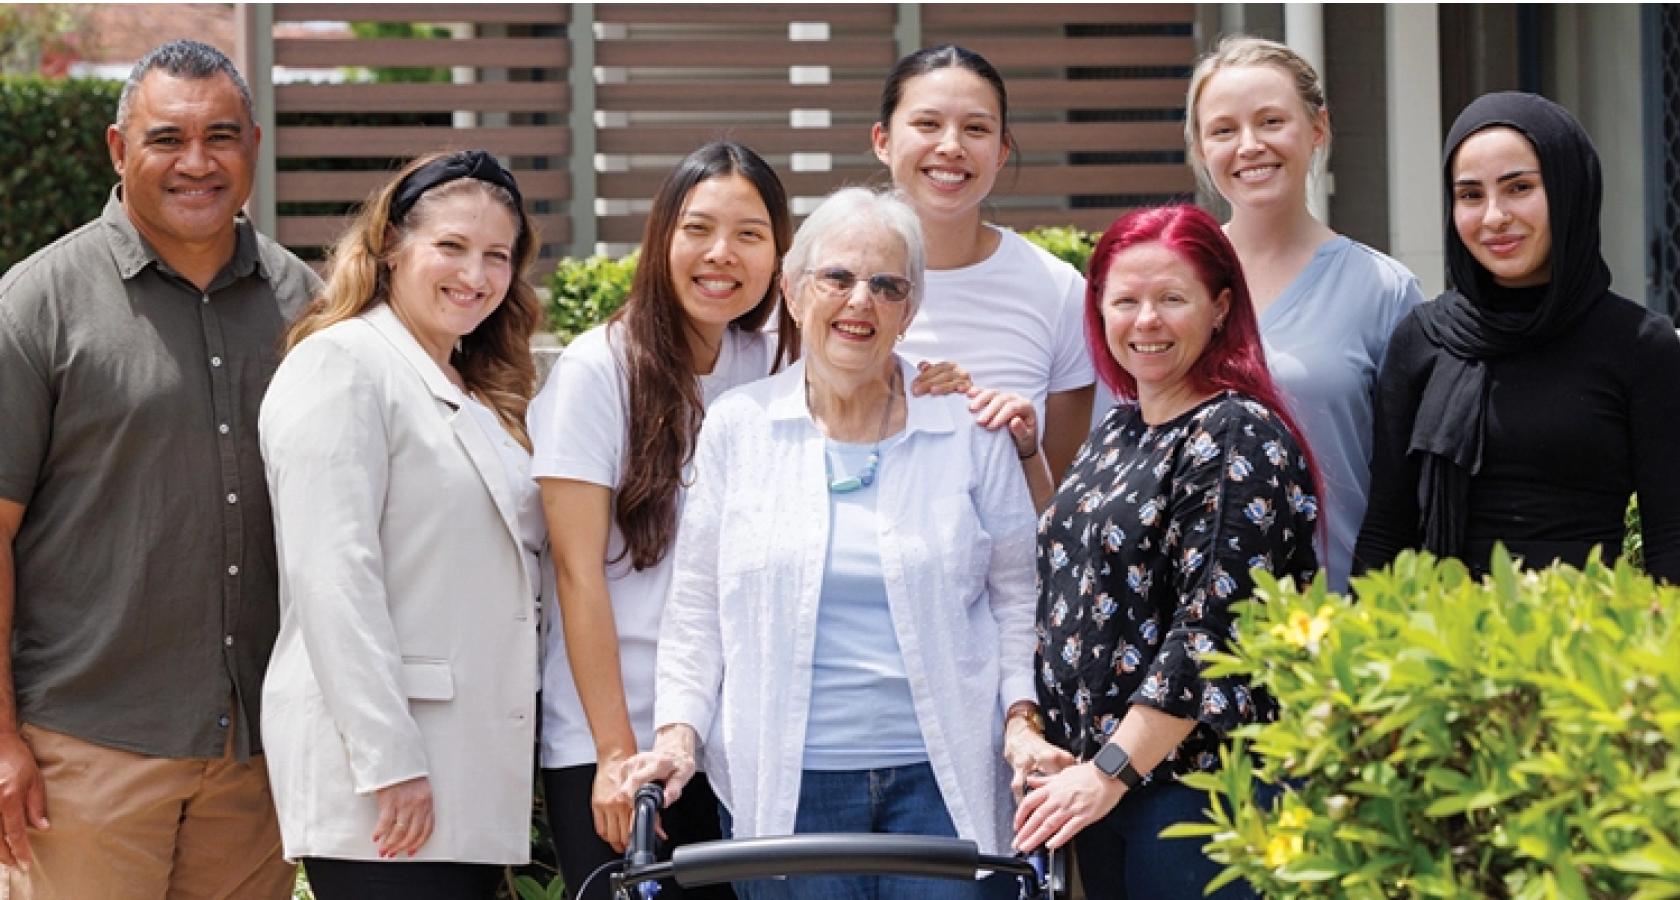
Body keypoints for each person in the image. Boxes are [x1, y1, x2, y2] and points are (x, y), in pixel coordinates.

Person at [618, 187, 1071, 899]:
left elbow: (1019, 597)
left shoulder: (967, 429)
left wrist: (1022, 720)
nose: (861, 301)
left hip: (943, 783)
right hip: (789, 788)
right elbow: (698, 610)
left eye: (888, 285)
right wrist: (678, 737)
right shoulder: (741, 427)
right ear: (795, 293)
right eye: (837, 277)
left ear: (909, 312)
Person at [0, 39, 318, 900]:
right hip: (83, 757)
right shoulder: (36, 306)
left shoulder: (309, 307)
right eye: (167, 138)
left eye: (221, 137)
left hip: (257, 761)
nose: (196, 162)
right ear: (118, 148)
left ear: (254, 144)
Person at [258, 150, 545, 899]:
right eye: (451, 246)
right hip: (390, 781)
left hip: (467, 769)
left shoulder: (472, 384)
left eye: (497, 256)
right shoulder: (341, 364)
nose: (475, 274)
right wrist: (390, 763)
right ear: (390, 244)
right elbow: (332, 578)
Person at [1012, 205, 1320, 900]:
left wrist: (1109, 771)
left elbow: (1210, 631)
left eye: (1172, 299)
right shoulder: (1119, 430)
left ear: (1220, 309)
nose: (1145, 320)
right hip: (1103, 787)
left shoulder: (1235, 433)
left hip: (1193, 793)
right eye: (1126, 300)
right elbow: (1079, 570)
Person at [530, 141, 792, 900]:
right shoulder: (598, 369)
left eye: (749, 234)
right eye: (698, 229)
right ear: (660, 239)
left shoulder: (774, 365)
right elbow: (576, 572)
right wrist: (615, 753)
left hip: (735, 746)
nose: (722, 254)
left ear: (779, 255)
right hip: (623, 741)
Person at [1353, 92, 1680, 583]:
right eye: (1470, 195)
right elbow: (1386, 530)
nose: (1494, 217)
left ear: (1570, 190)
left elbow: (1671, 536)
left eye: (1519, 187)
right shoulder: (1423, 340)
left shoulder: (1639, 344)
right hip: (1442, 626)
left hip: (1585, 624)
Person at [1185, 35, 1424, 593]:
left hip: (1339, 617)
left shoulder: (1383, 290)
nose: (1249, 146)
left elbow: (1411, 485)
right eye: (1223, 130)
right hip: (1191, 624)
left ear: (1317, 128)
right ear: (1200, 148)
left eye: (1271, 121)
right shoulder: (1172, 284)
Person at [872, 44, 1097, 504]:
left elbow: (1059, 503)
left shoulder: (1058, 291)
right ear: (883, 141)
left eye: (976, 129)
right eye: (927, 124)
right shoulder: (827, 283)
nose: (951, 147)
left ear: (1001, 151)